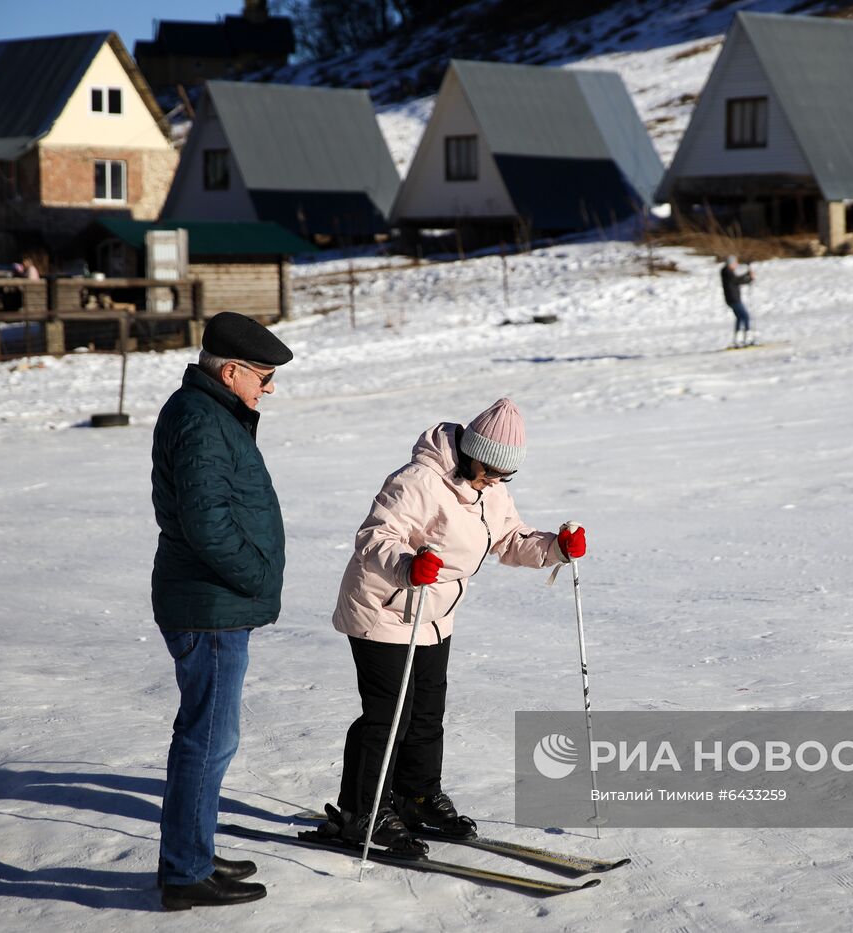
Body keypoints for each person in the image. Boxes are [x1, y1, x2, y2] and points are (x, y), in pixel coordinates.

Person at [319, 397, 589, 855]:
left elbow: (508, 539)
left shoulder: (492, 489)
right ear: (469, 451)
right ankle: (361, 811)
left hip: (433, 614)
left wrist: (556, 548)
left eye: (504, 476)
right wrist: (407, 566)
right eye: (488, 471)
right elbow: (374, 535)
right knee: (389, 718)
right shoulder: (419, 481)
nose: (494, 481)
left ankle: (416, 797)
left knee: (426, 713)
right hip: (384, 609)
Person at [151, 311, 293, 911]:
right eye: (262, 374)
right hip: (209, 607)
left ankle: (195, 852)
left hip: (211, 601)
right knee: (207, 738)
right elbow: (207, 525)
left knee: (210, 735)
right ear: (230, 370)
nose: (269, 386)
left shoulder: (209, 413)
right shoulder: (203, 421)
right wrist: (257, 574)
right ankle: (186, 872)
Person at [720, 255, 756, 348]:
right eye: (735, 263)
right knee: (745, 316)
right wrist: (749, 278)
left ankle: (738, 340)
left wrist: (747, 276)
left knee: (740, 318)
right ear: (731, 263)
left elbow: (736, 280)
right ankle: (748, 339)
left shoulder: (727, 272)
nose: (736, 265)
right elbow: (736, 280)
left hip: (732, 298)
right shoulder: (727, 272)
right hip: (734, 299)